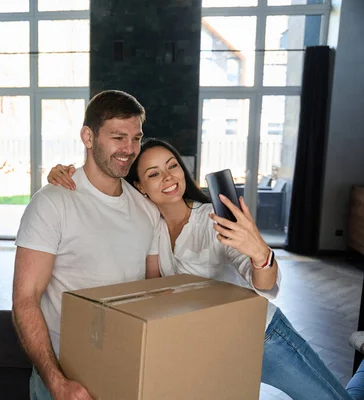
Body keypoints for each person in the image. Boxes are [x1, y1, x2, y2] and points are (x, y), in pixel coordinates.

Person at [47, 137, 355, 400]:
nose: (168, 177)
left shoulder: (213, 220)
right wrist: (66, 174)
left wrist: (260, 253)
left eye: (172, 166)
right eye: (154, 174)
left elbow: (264, 286)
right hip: (206, 347)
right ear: (139, 186)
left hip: (263, 337)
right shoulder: (142, 226)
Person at [12, 90, 161, 400]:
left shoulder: (146, 210)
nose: (129, 149)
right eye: (118, 137)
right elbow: (25, 299)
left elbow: (152, 291)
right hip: (64, 376)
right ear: (88, 137)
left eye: (136, 138)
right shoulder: (52, 203)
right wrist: (56, 382)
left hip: (124, 369)